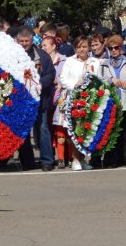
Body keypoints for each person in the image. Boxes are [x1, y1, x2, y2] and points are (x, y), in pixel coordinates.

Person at [16, 27, 56, 172]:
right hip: (20, 101)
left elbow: (50, 74)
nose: (24, 44)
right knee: (24, 131)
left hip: (40, 100)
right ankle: (27, 162)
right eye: (22, 41)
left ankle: (47, 161)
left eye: (27, 41)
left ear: (32, 40)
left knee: (43, 128)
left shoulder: (42, 56)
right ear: (17, 41)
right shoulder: (11, 56)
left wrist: (38, 85)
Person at [60, 35, 100, 171]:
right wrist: (75, 85)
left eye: (84, 46)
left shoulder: (95, 61)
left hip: (90, 99)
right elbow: (63, 79)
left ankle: (82, 159)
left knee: (87, 130)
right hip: (74, 99)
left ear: (88, 47)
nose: (81, 50)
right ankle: (75, 158)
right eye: (78, 47)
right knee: (75, 131)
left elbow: (99, 78)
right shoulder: (70, 61)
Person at [100, 35, 126, 167]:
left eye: (116, 47)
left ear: (121, 47)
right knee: (113, 132)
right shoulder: (104, 64)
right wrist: (111, 80)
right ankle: (114, 160)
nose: (114, 50)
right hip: (112, 103)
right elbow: (100, 80)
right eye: (111, 48)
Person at [41, 36, 70, 169]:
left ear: (53, 46)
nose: (43, 48)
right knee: (47, 127)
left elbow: (66, 76)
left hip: (60, 98)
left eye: (45, 45)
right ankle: (50, 155)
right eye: (42, 45)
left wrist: (57, 81)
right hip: (48, 96)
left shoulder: (64, 60)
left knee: (61, 129)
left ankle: (64, 157)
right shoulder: (41, 59)